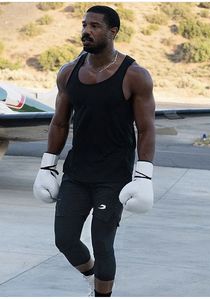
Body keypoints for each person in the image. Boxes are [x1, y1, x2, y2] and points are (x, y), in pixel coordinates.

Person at [33, 5, 155, 297]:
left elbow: (147, 128)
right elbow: (59, 123)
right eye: (85, 25)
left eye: (95, 26)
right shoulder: (69, 72)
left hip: (113, 176)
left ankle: (103, 294)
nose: (87, 31)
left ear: (113, 32)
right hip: (77, 172)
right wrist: (47, 166)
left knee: (102, 243)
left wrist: (144, 176)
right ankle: (92, 278)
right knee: (64, 239)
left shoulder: (134, 75)